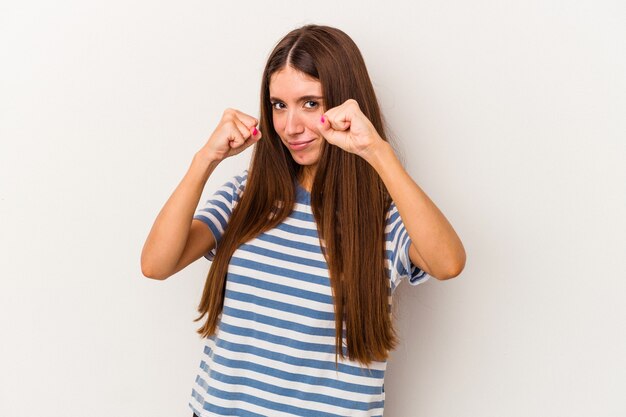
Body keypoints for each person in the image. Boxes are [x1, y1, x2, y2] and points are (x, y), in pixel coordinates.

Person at [141, 24, 465, 417]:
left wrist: (376, 151)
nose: (290, 126)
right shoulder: (247, 196)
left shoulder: (382, 215)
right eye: (279, 105)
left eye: (310, 103)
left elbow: (448, 262)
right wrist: (205, 160)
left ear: (347, 104)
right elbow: (156, 265)